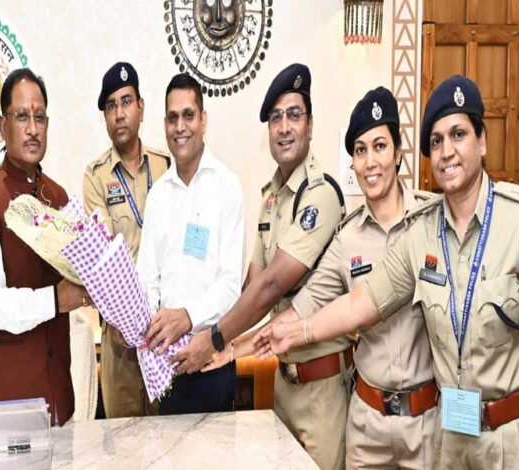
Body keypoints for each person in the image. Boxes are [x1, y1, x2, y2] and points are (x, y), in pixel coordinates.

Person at [254, 75, 519, 469]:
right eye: (437, 141)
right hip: (447, 434)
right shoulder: (419, 233)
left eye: (459, 135)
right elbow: (360, 304)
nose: (447, 151)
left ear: (482, 141)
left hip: (508, 435)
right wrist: (289, 332)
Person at [222, 87, 435, 468]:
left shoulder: (431, 221)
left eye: (380, 147)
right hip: (367, 421)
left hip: (425, 421)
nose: (371, 161)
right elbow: (304, 306)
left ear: (399, 154)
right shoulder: (347, 237)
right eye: (360, 151)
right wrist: (232, 347)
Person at [171, 63, 350, 470]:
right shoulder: (271, 198)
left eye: (294, 115)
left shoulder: (320, 195)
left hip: (322, 388)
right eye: (276, 118)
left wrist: (216, 339)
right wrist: (200, 327)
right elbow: (251, 284)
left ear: (310, 125)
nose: (284, 128)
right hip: (284, 382)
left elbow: (271, 286)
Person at [0, 68, 90, 425]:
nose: (33, 129)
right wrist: (55, 300)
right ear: (3, 126)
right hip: (9, 404)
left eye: (40, 117)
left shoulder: (59, 198)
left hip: (59, 400)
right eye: (22, 116)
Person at [137, 73, 245, 415]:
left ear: (203, 120)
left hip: (213, 359)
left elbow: (231, 286)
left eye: (188, 115)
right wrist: (150, 326)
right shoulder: (157, 196)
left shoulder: (227, 187)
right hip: (167, 365)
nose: (180, 127)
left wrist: (186, 317)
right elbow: (147, 279)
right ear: (164, 125)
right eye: (172, 118)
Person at [82, 62, 170, 418]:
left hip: (165, 330)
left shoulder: (167, 167)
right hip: (118, 336)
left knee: (170, 435)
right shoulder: (95, 177)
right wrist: (121, 319)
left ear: (141, 108)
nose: (119, 113)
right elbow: (100, 256)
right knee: (122, 437)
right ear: (105, 116)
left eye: (126, 102)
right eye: (111, 106)